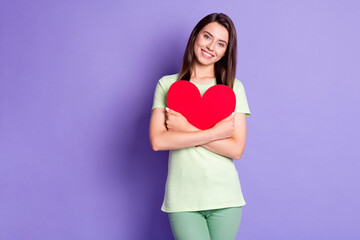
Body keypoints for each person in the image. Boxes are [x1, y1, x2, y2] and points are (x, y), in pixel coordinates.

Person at [149, 13, 251, 240]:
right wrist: (216, 133)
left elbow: (236, 149)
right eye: (207, 36)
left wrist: (184, 128)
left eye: (221, 44)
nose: (211, 47)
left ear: (225, 52)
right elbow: (158, 141)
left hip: (226, 199)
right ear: (195, 36)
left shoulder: (234, 88)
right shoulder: (167, 85)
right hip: (183, 199)